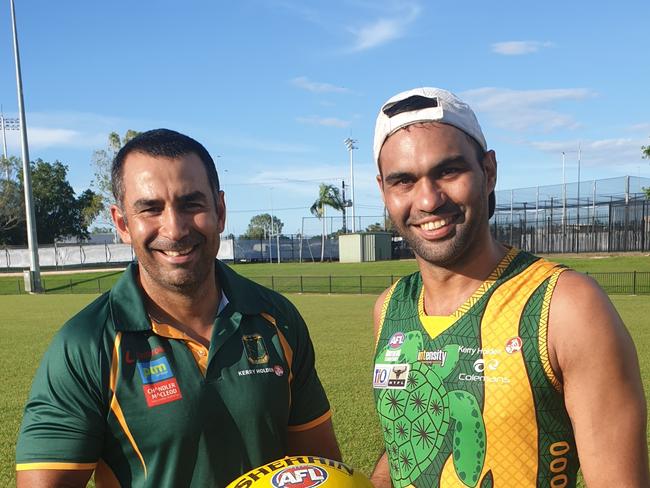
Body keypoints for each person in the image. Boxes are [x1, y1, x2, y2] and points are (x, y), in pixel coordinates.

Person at [16, 129, 341, 487]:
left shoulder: (277, 318)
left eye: (191, 204)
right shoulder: (85, 345)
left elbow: (321, 467)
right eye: (151, 209)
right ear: (123, 223)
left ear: (219, 211)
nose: (174, 227)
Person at [369, 87, 649, 488]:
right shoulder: (390, 307)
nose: (428, 200)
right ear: (384, 191)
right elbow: (401, 448)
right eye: (404, 181)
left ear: (489, 171)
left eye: (448, 171)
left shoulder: (566, 306)